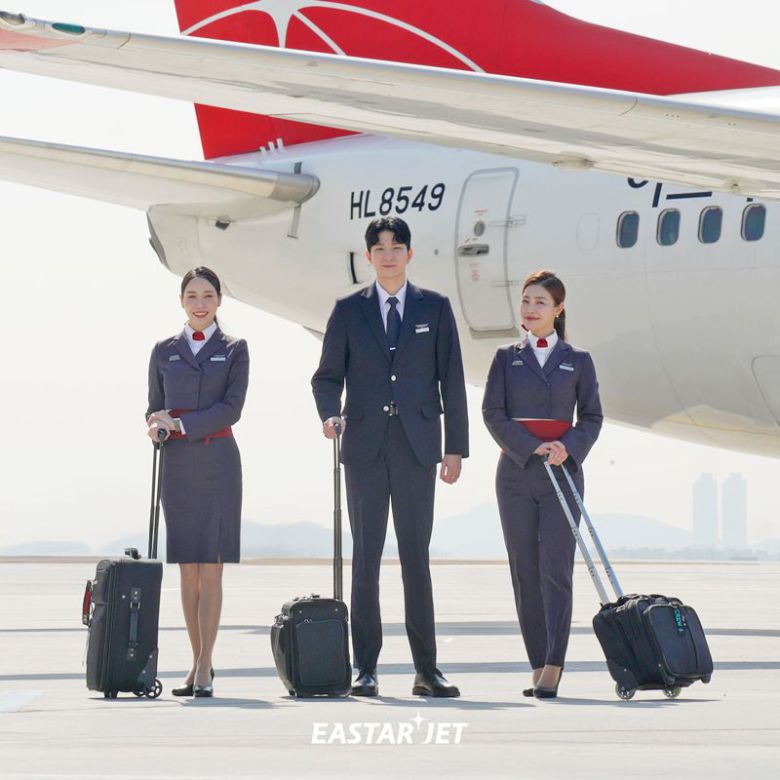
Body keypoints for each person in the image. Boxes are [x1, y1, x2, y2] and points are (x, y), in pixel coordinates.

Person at [311, 216, 469, 698]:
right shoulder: (348, 311)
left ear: (409, 254)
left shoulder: (435, 308)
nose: (387, 255)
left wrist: (455, 447)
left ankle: (427, 670)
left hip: (418, 447)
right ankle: (366, 668)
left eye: (396, 247)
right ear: (368, 257)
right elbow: (326, 377)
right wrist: (329, 414)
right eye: (379, 248)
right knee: (367, 559)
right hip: (364, 447)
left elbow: (452, 380)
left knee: (416, 558)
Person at [482, 270, 602, 699]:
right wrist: (531, 446)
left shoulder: (578, 360)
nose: (530, 309)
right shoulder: (505, 357)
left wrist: (568, 447)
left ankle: (554, 663)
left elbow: (592, 416)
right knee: (525, 572)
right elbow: (492, 413)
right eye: (526, 300)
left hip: (562, 474)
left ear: (558, 309)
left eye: (540, 302)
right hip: (516, 473)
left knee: (556, 569)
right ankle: (537, 662)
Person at [146, 266, 249, 698]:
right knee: (188, 569)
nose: (200, 303)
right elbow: (154, 406)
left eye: (208, 295)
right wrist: (155, 424)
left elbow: (232, 408)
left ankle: (206, 665)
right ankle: (196, 661)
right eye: (192, 296)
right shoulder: (163, 351)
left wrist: (181, 424)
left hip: (219, 462)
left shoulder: (235, 348)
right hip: (178, 466)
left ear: (219, 301)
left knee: (212, 567)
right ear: (181, 301)